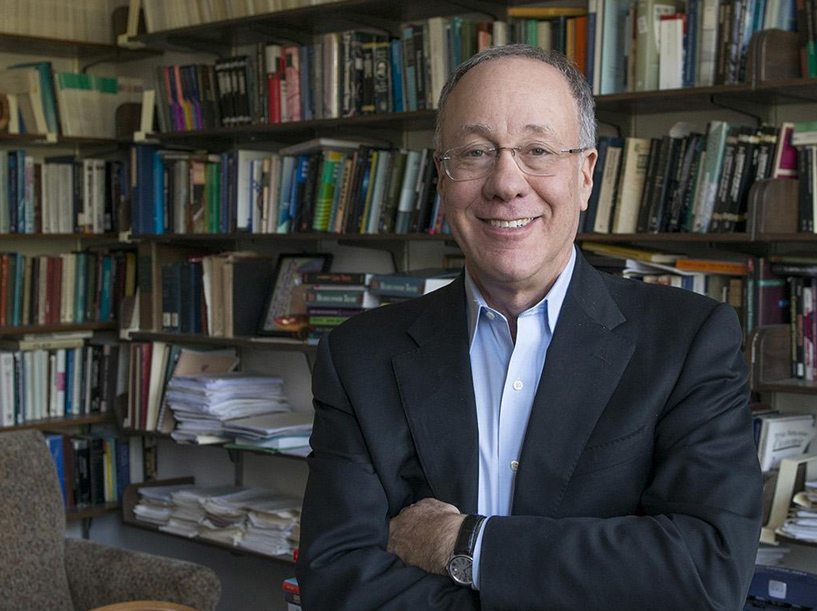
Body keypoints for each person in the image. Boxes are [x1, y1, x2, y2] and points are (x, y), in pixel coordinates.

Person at [297, 44, 762, 610]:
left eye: (538, 150)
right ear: (440, 178)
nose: (506, 184)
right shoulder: (358, 355)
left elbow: (706, 572)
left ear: (586, 175)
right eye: (473, 152)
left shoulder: (690, 340)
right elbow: (339, 580)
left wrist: (464, 541)